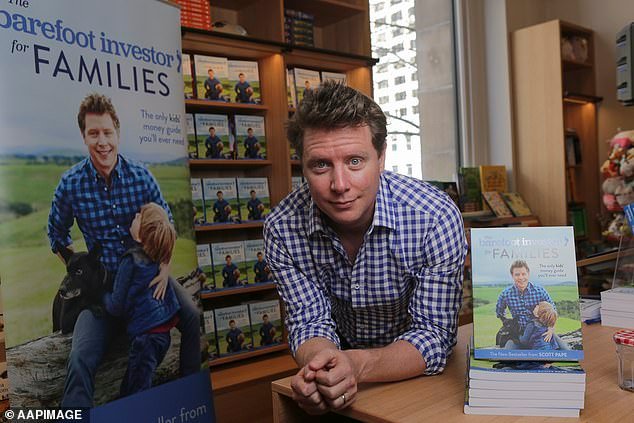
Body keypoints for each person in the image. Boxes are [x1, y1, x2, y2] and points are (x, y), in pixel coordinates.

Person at [263, 81, 467, 415]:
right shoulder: (282, 228)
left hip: (419, 377)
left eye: (355, 161)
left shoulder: (434, 216)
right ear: (302, 165)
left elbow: (433, 335)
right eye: (321, 165)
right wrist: (323, 369)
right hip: (338, 383)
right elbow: (309, 322)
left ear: (381, 156)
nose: (340, 185)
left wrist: (356, 365)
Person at [47, 93, 200, 408]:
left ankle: (188, 397)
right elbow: (56, 233)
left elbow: (168, 226)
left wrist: (164, 270)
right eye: (94, 133)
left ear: (117, 133)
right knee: (80, 356)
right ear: (83, 136)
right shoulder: (71, 184)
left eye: (108, 132)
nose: (102, 141)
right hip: (104, 289)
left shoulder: (141, 177)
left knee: (191, 316)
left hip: (147, 276)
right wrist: (82, 271)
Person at [103, 203, 180, 396]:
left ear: (141, 234)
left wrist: (100, 295)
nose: (135, 215)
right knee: (129, 389)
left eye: (139, 216)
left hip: (146, 338)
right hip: (162, 335)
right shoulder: (157, 254)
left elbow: (116, 306)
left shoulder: (130, 260)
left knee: (139, 393)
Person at [496, 260, 568, 350]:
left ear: (528, 274)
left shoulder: (540, 291)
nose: (521, 277)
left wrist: (550, 328)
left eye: (523, 274)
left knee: (566, 350)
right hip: (519, 336)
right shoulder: (505, 294)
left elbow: (553, 310)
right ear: (512, 275)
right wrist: (509, 325)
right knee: (508, 353)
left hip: (541, 332)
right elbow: (499, 312)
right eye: (517, 274)